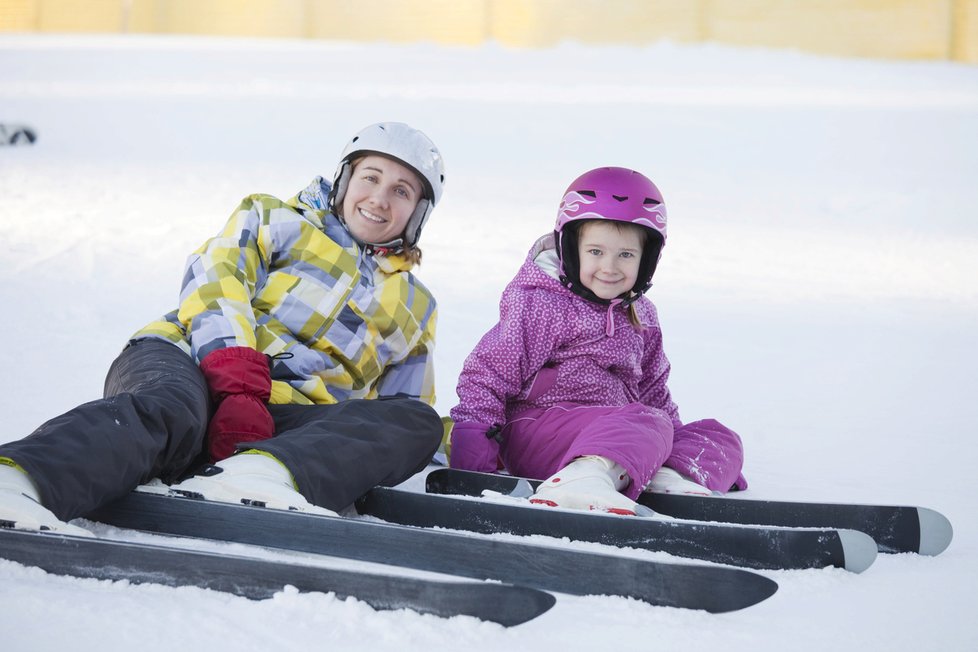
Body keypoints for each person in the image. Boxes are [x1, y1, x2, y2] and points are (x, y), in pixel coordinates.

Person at [0, 122, 447, 535]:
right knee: (171, 411)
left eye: (401, 190)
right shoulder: (275, 219)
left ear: (418, 213)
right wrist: (237, 386)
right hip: (186, 361)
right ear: (346, 179)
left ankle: (259, 475)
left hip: (282, 424)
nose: (379, 198)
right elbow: (216, 281)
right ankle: (19, 479)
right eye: (370, 177)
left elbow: (398, 409)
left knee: (417, 424)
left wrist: (469, 448)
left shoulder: (416, 307)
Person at [448, 167, 746, 516]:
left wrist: (671, 444)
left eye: (626, 255)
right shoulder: (543, 304)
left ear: (647, 260)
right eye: (595, 251)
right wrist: (472, 458)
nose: (610, 267)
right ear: (571, 249)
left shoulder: (644, 316)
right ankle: (580, 481)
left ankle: (665, 474)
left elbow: (654, 393)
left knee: (720, 437)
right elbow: (487, 376)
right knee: (648, 422)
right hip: (538, 432)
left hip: (620, 428)